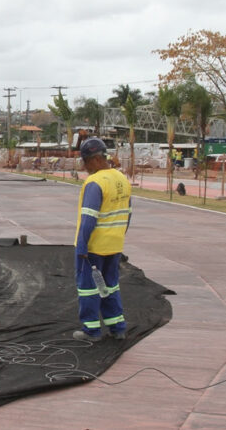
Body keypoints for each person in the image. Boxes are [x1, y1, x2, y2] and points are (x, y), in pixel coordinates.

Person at [73, 138, 132, 342]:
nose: (85, 166)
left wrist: (82, 245)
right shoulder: (122, 179)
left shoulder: (95, 182)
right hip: (114, 244)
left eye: (86, 161)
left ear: (96, 159)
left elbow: (89, 217)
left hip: (94, 246)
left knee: (89, 287)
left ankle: (91, 330)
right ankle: (118, 327)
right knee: (110, 285)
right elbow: (128, 213)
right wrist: (119, 237)